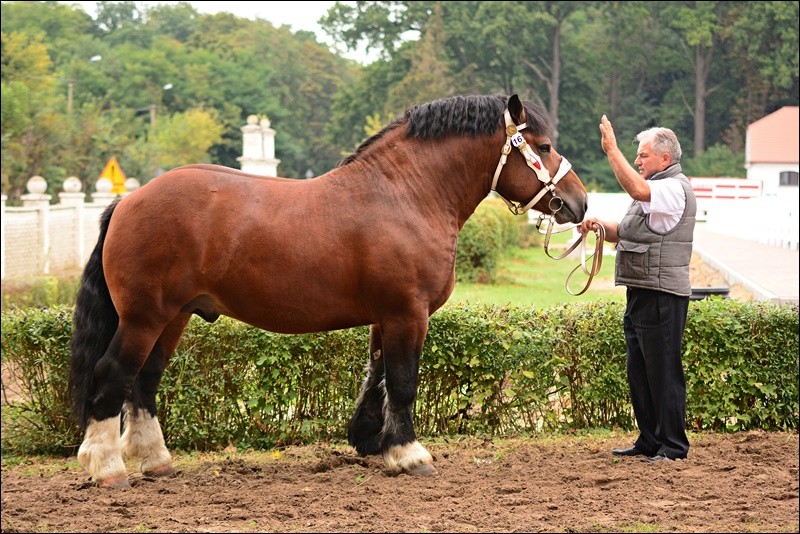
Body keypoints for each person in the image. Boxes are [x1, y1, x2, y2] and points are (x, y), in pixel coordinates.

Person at [579, 115, 696, 463]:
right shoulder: (659, 189)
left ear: (665, 158)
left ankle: (673, 446)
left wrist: (611, 150)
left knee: (663, 371)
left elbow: (637, 189)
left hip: (662, 293)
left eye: (643, 155)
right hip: (644, 290)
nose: (637, 161)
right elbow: (633, 232)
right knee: (641, 371)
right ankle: (649, 439)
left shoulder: (672, 188)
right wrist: (602, 227)